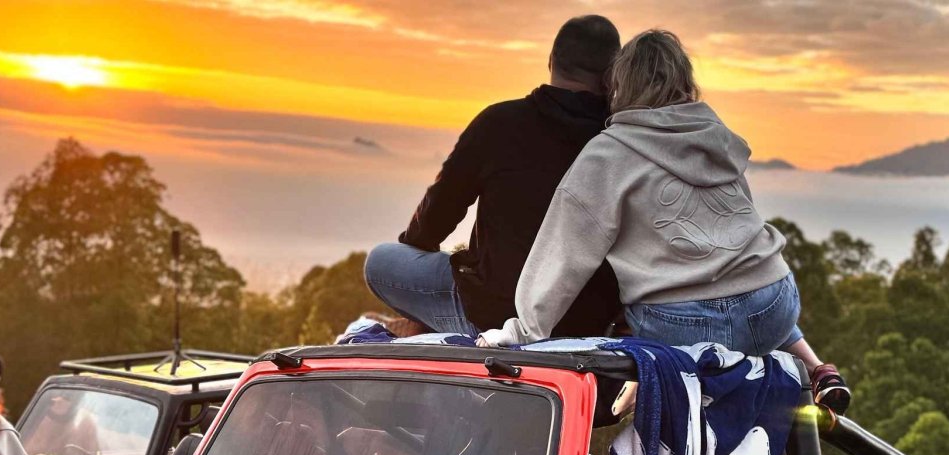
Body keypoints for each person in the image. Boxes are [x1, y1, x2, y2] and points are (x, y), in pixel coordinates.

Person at [480, 29, 851, 413]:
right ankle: (817, 368)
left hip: (686, 327)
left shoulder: (609, 153)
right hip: (774, 306)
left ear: (622, 85)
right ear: (684, 80)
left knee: (643, 305)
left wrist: (523, 332)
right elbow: (741, 235)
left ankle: (645, 381)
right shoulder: (716, 137)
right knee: (745, 279)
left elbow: (565, 249)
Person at [363, 15, 622, 339]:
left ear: (551, 61)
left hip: (490, 312)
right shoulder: (620, 139)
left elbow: (438, 212)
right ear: (614, 75)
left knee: (380, 262)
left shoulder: (499, 123)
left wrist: (420, 249)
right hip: (586, 321)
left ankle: (446, 327)